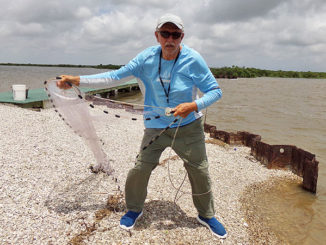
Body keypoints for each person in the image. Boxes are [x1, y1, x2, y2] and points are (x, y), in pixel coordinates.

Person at [57, 13, 227, 239]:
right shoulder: (146, 58)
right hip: (155, 127)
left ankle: (206, 215)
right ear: (157, 36)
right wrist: (78, 80)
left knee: (200, 171)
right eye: (165, 33)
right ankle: (134, 209)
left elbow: (216, 91)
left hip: (188, 127)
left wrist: (194, 105)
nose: (170, 39)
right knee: (140, 169)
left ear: (181, 37)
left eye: (175, 34)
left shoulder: (193, 59)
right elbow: (114, 76)